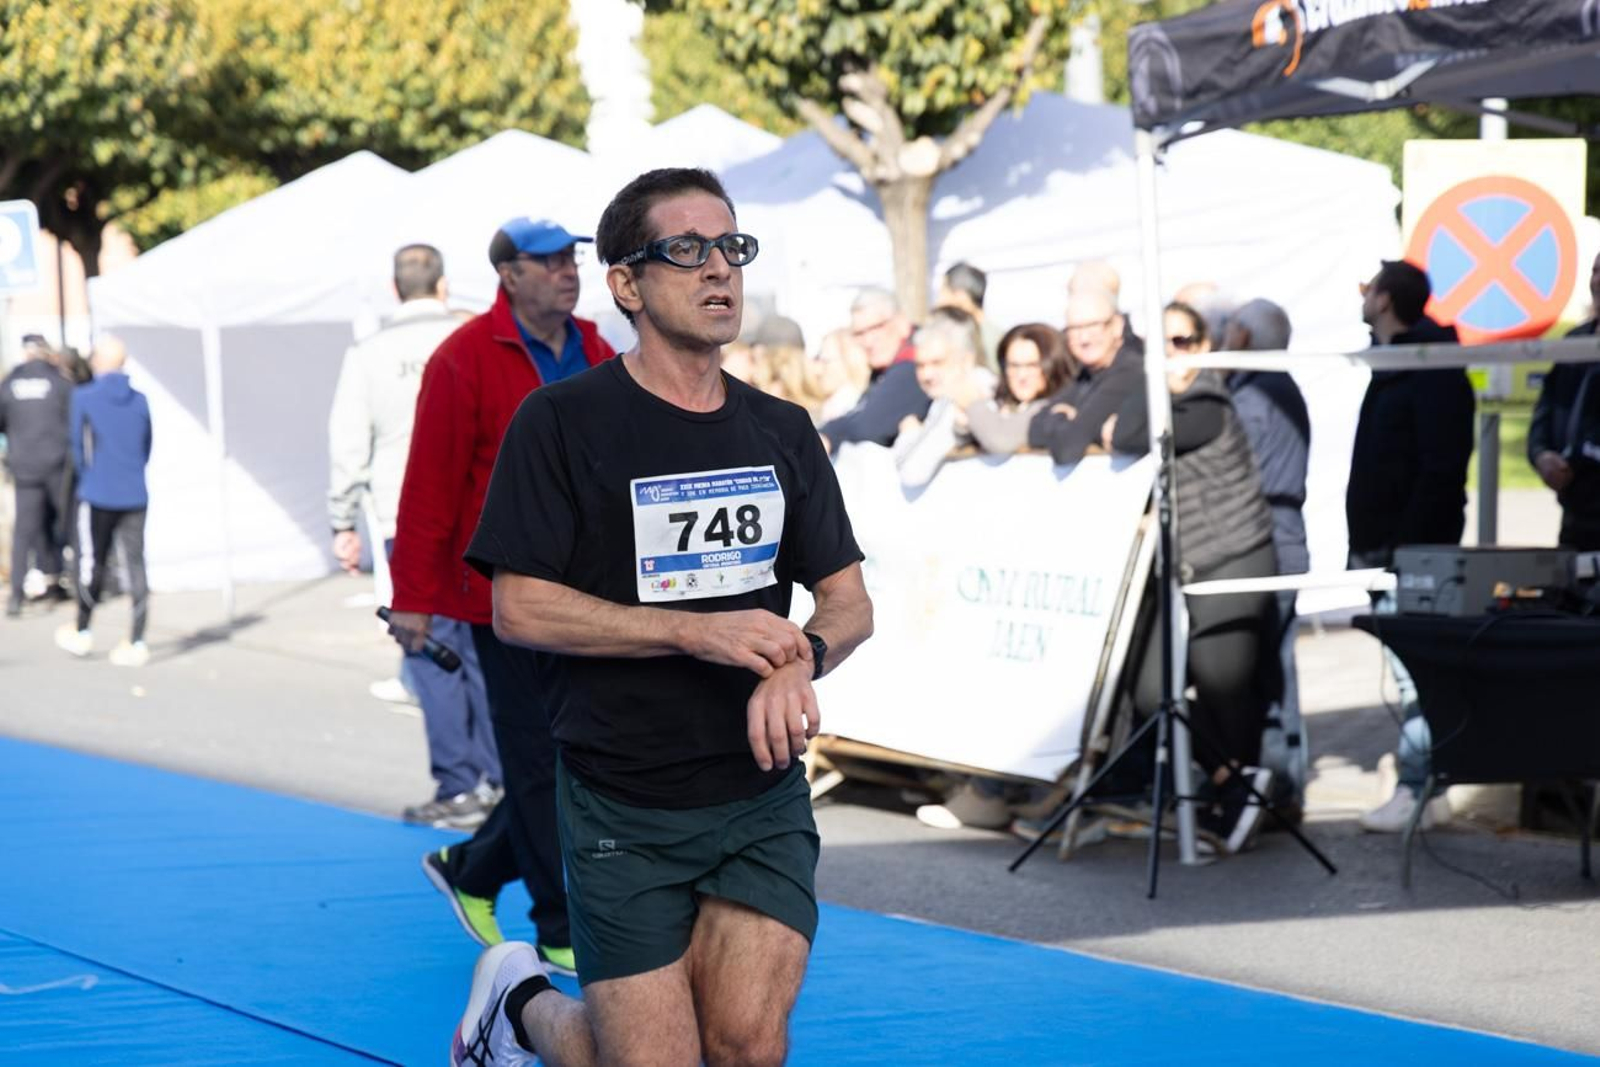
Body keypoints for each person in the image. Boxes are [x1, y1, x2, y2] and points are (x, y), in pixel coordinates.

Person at [447, 167, 873, 1067]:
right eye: (685, 250)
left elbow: (848, 597)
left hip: (759, 794)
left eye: (731, 247)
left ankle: (520, 1003)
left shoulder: (782, 430)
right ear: (627, 284)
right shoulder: (560, 421)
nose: (718, 269)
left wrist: (805, 658)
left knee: (748, 1047)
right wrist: (692, 627)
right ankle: (521, 1005)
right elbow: (518, 607)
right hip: (622, 801)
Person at [387, 217, 616, 974]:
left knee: (573, 755)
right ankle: (558, 922)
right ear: (507, 274)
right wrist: (416, 597)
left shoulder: (597, 346)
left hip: (591, 593)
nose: (566, 271)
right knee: (536, 755)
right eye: (546, 261)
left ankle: (475, 868)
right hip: (504, 598)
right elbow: (429, 485)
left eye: (569, 258)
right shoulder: (462, 358)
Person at [328, 243, 499, 830]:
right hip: (480, 516)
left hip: (409, 518)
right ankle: (503, 779)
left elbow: (349, 443)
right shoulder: (475, 339)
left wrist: (342, 520)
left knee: (430, 652)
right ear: (444, 286)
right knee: (489, 648)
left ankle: (459, 785)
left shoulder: (370, 353)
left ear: (396, 289)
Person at [1106, 302, 1279, 854]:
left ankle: (1238, 801)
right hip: (1185, 565)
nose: (1172, 354)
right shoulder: (1170, 397)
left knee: (1223, 684)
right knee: (1151, 690)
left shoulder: (1206, 401)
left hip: (1235, 556)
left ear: (1204, 346)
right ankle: (1236, 784)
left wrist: (1148, 386)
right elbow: (1131, 430)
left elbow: (1130, 434)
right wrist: (1149, 376)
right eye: (1161, 344)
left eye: (1182, 341)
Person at [1347, 259, 1474, 834]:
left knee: (1414, 674)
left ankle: (1418, 783)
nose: (1362, 297)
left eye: (1368, 288)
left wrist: (1405, 544)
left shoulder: (1429, 365)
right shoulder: (1396, 364)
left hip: (1412, 551)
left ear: (1386, 299)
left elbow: (1439, 463)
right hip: (1389, 546)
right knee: (1409, 671)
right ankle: (1428, 783)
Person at [1221, 299, 1312, 814]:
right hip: (1283, 539)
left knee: (1269, 675)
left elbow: (1237, 469)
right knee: (1274, 669)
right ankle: (1281, 785)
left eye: (1229, 330)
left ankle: (1275, 790)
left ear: (1244, 339)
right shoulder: (1275, 388)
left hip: (1270, 545)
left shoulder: (1255, 397)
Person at [53, 337, 152, 665]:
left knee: (93, 560)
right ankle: (136, 639)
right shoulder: (140, 400)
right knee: (135, 564)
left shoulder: (85, 397)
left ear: (100, 362)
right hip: (135, 491)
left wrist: (89, 476)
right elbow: (145, 444)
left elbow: (78, 448)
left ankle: (83, 629)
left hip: (99, 492)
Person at [1528, 251, 1600, 550]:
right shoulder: (1574, 343)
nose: (1597, 281)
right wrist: (1542, 454)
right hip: (1575, 518)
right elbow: (1545, 412)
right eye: (1595, 271)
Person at [1027, 286, 1145, 465]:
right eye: (1074, 329)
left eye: (1092, 326)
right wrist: (1066, 419)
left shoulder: (1130, 371)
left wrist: (1070, 420)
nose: (1084, 339)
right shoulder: (1085, 375)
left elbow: (1068, 447)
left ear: (1117, 326)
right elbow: (1034, 430)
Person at [1, 334, 71, 616]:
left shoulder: (10, 383)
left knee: (24, 531)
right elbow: (74, 417)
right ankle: (77, 584)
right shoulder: (59, 381)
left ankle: (16, 595)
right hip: (56, 464)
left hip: (25, 465)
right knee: (66, 523)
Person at [892, 307, 995, 487]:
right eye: (920, 365)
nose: (927, 375)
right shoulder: (947, 395)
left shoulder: (964, 394)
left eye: (937, 363)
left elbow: (912, 471)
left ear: (965, 361)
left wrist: (909, 433)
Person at [817, 287, 929, 452]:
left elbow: (869, 426)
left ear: (901, 322)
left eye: (876, 328)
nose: (868, 342)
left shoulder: (917, 362)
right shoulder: (885, 367)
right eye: (860, 334)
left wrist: (827, 436)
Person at [965, 323, 1076, 455]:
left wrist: (970, 404)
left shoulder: (1055, 407)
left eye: (1032, 365)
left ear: (1053, 365)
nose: (1022, 376)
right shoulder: (1000, 404)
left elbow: (1002, 440)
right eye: (1014, 365)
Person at [934, 261, 1001, 371]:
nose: (939, 301)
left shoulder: (991, 340)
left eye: (943, 292)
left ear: (961, 296)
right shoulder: (961, 333)